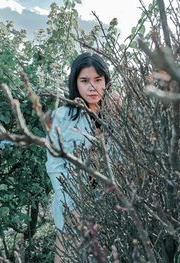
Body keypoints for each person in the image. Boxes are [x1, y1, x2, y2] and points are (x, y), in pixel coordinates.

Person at [45, 52, 111, 263]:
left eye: (98, 80)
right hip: (72, 207)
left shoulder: (116, 116)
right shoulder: (62, 117)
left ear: (106, 81)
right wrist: (70, 206)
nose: (92, 87)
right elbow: (55, 166)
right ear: (75, 83)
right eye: (85, 81)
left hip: (109, 208)